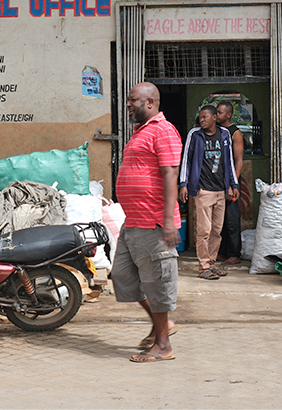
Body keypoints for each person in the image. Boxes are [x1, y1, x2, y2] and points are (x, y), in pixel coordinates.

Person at [110, 82, 181, 363]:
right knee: (122, 276)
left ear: (150, 103)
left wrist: (168, 222)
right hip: (133, 223)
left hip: (153, 223)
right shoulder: (141, 132)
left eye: (132, 100)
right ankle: (162, 323)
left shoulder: (163, 130)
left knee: (156, 283)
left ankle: (163, 345)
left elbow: (169, 175)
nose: (128, 105)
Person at [179, 105, 238, 280]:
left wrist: (233, 184)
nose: (202, 120)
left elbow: (229, 161)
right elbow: (186, 160)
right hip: (203, 190)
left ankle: (211, 264)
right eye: (200, 117)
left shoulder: (225, 134)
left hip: (221, 190)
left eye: (205, 117)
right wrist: (184, 184)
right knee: (204, 231)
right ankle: (203, 266)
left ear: (214, 118)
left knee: (216, 231)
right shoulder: (195, 135)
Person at [216, 100, 245, 266]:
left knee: (232, 219)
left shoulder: (236, 133)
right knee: (221, 219)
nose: (217, 115)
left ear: (228, 114)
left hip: (231, 181)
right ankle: (222, 252)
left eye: (220, 112)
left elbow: (239, 161)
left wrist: (233, 185)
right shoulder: (217, 131)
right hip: (217, 181)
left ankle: (234, 253)